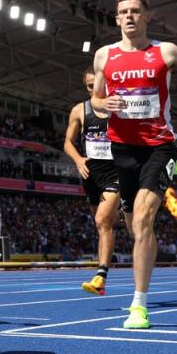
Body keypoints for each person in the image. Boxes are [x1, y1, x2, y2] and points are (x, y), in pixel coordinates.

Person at [91, 0, 177, 329]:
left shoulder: (165, 52)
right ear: (117, 19)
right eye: (123, 12)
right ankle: (147, 248)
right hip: (122, 149)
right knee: (135, 227)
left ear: (148, 16)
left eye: (136, 11)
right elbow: (96, 99)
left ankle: (139, 305)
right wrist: (105, 106)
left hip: (159, 147)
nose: (130, 16)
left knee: (144, 217)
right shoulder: (104, 56)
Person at [63, 67, 124, 296]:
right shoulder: (80, 110)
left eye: (98, 84)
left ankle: (101, 276)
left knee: (101, 220)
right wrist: (78, 159)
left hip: (115, 171)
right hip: (90, 174)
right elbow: (68, 142)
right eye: (89, 85)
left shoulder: (118, 109)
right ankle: (120, 218)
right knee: (103, 225)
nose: (94, 88)